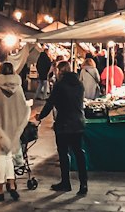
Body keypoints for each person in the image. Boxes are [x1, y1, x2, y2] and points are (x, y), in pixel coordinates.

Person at [38, 60, 88, 196]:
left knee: (64, 153)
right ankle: (84, 183)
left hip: (64, 123)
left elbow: (50, 103)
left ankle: (66, 182)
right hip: (78, 122)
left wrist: (40, 116)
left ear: (59, 71)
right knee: (79, 153)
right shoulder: (79, 84)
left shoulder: (60, 85)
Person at [0, 63, 31, 203]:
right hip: (13, 130)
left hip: (0, 130)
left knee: (0, 159)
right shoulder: (19, 90)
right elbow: (24, 109)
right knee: (9, 157)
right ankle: (11, 185)